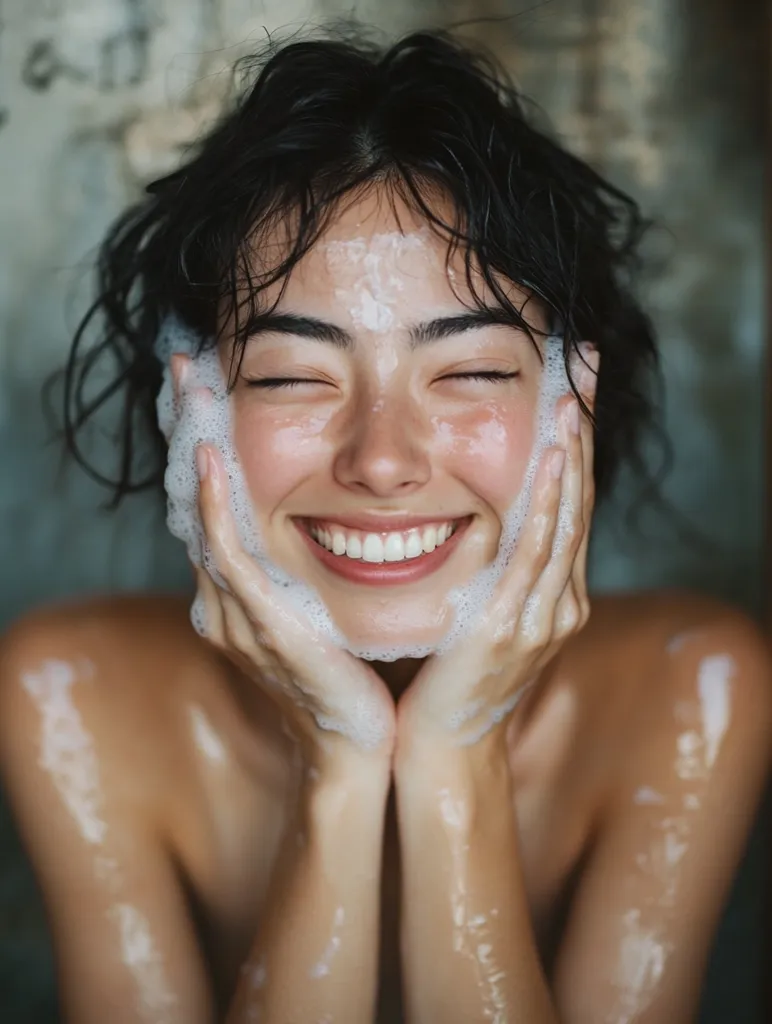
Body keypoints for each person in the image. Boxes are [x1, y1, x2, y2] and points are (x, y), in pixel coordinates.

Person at [0, 26, 770, 1024]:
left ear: (570, 407)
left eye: (470, 372)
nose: (382, 460)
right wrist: (340, 759)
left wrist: (457, 757)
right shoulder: (69, 694)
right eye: (291, 377)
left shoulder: (689, 686)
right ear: (193, 409)